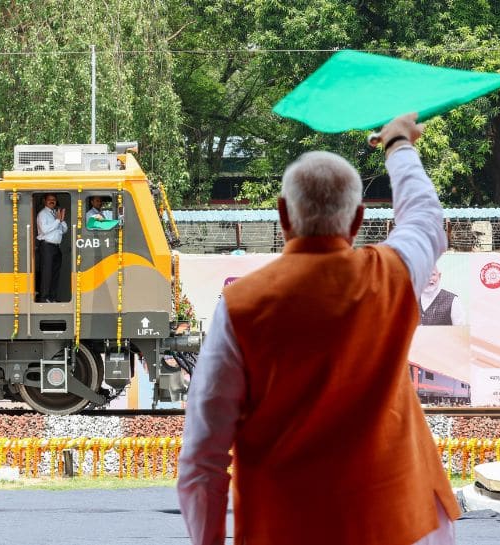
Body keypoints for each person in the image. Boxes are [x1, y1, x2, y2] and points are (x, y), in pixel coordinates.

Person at [177, 113, 460, 545]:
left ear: (283, 214)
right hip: (398, 521)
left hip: (285, 528)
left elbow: (202, 459)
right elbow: (424, 218)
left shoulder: (241, 306)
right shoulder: (392, 274)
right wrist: (398, 144)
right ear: (358, 219)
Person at [36, 193, 67, 303]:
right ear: (45, 201)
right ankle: (44, 298)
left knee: (55, 274)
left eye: (54, 200)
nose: (52, 201)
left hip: (56, 247)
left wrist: (61, 220)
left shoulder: (55, 214)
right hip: (47, 246)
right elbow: (44, 229)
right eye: (50, 199)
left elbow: (64, 230)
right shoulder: (43, 214)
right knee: (47, 273)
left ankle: (52, 298)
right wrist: (58, 221)